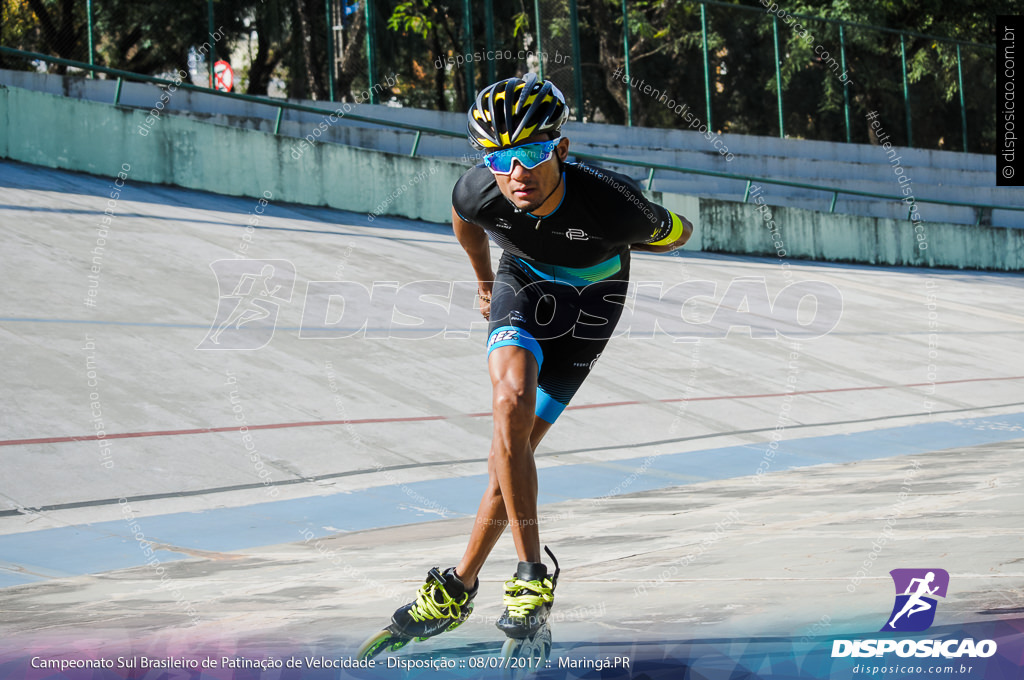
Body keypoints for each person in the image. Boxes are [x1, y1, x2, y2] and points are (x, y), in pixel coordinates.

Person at [385, 73, 693, 645]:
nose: (516, 173)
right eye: (499, 157)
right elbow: (466, 224)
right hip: (522, 285)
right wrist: (483, 285)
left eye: (531, 152)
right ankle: (531, 576)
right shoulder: (478, 190)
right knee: (509, 407)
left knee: (512, 455)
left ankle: (456, 587)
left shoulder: (613, 201)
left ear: (561, 148)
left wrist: (642, 235)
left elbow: (679, 233)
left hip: (591, 309)